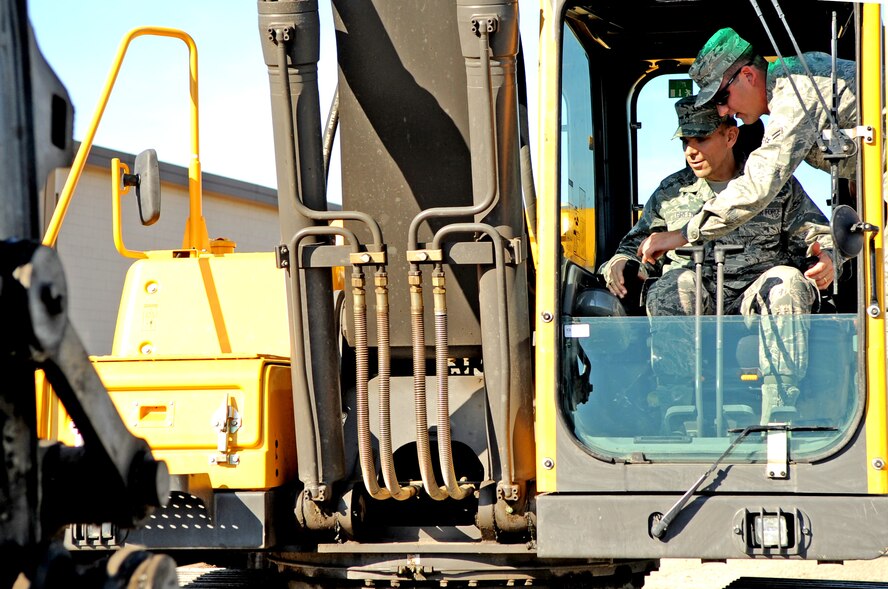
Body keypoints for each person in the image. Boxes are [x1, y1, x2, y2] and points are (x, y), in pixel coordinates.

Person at [600, 95, 835, 425]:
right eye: (685, 141)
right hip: (695, 304)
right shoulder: (671, 194)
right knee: (673, 284)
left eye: (701, 139)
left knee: (788, 281)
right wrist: (623, 266)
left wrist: (830, 260)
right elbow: (632, 249)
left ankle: (779, 412)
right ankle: (677, 412)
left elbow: (822, 239)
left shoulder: (775, 187)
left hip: (757, 301)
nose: (691, 151)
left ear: (730, 136)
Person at [637, 27, 856, 263]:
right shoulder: (793, 82)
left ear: (748, 76)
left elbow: (759, 186)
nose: (722, 110)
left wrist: (683, 234)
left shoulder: (796, 90)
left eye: (721, 98)